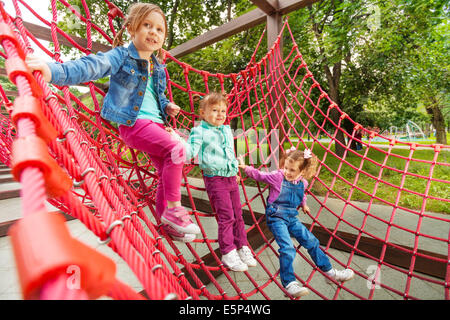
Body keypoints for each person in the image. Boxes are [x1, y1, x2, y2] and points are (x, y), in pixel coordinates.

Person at [25, 3, 200, 242]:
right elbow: (92, 66)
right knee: (178, 150)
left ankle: (167, 223)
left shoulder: (159, 68)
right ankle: (173, 211)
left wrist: (167, 105)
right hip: (134, 124)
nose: (153, 32)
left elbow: (156, 96)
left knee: (167, 168)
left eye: (160, 29)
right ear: (131, 29)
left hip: (157, 125)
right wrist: (52, 71)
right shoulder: (121, 56)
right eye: (147, 25)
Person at [238, 147, 354, 297]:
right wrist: (246, 167)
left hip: (292, 217)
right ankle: (289, 284)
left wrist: (304, 204)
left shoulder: (303, 183)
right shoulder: (278, 177)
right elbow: (260, 175)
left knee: (312, 241)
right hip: (276, 217)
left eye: (292, 170)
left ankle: (329, 273)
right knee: (287, 248)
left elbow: (301, 193)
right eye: (286, 167)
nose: (287, 172)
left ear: (302, 172)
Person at [169, 92, 257, 271]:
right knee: (227, 216)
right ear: (202, 113)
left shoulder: (225, 129)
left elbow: (228, 152)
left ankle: (242, 246)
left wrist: (234, 170)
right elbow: (189, 152)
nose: (220, 114)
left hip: (231, 177)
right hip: (215, 180)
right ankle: (228, 252)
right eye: (215, 110)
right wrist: (176, 138)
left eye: (223, 111)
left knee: (238, 215)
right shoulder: (199, 131)